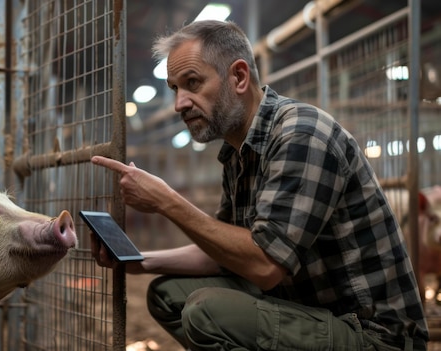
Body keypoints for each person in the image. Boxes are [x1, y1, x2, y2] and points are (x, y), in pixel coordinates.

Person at [90, 20, 429, 351]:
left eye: (192, 83)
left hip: (371, 333)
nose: (180, 103)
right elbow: (222, 251)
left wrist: (166, 201)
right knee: (167, 294)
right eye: (175, 89)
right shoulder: (238, 154)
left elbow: (265, 266)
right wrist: (140, 261)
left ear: (238, 77)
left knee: (206, 311)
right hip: (313, 312)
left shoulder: (301, 135)